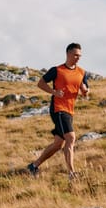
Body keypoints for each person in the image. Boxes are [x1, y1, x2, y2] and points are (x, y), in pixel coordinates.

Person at [27, 43, 89, 180]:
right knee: (71, 138)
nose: (78, 58)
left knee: (58, 144)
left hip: (70, 110)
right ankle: (72, 173)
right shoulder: (57, 70)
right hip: (58, 109)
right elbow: (40, 83)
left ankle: (33, 166)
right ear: (68, 54)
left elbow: (84, 89)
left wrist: (85, 91)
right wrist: (54, 92)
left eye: (80, 56)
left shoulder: (82, 72)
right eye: (75, 55)